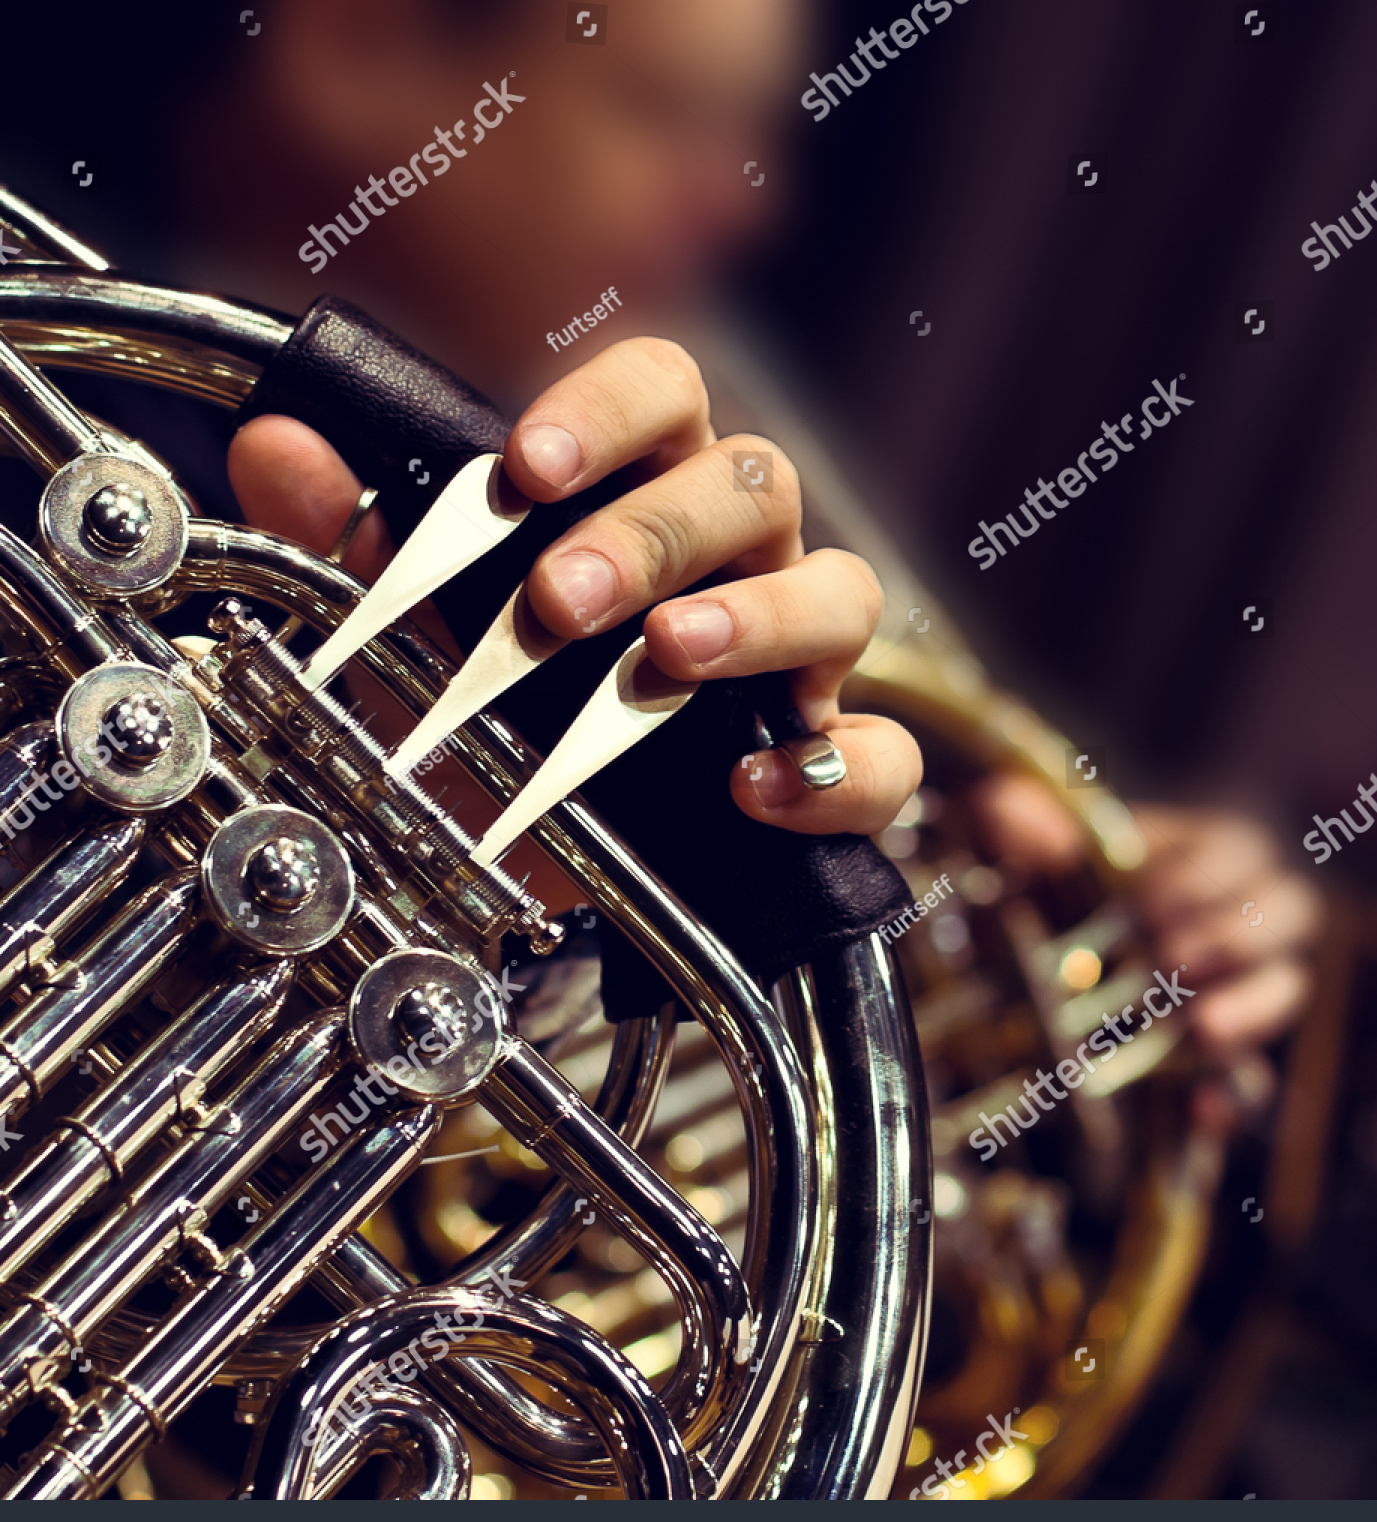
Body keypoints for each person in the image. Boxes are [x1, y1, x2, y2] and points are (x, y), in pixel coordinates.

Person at [182, 0, 1318, 1089]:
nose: (743, 210)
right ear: (359, 39)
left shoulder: (620, 468)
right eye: (663, 107)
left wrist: (1106, 940)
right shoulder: (61, 435)